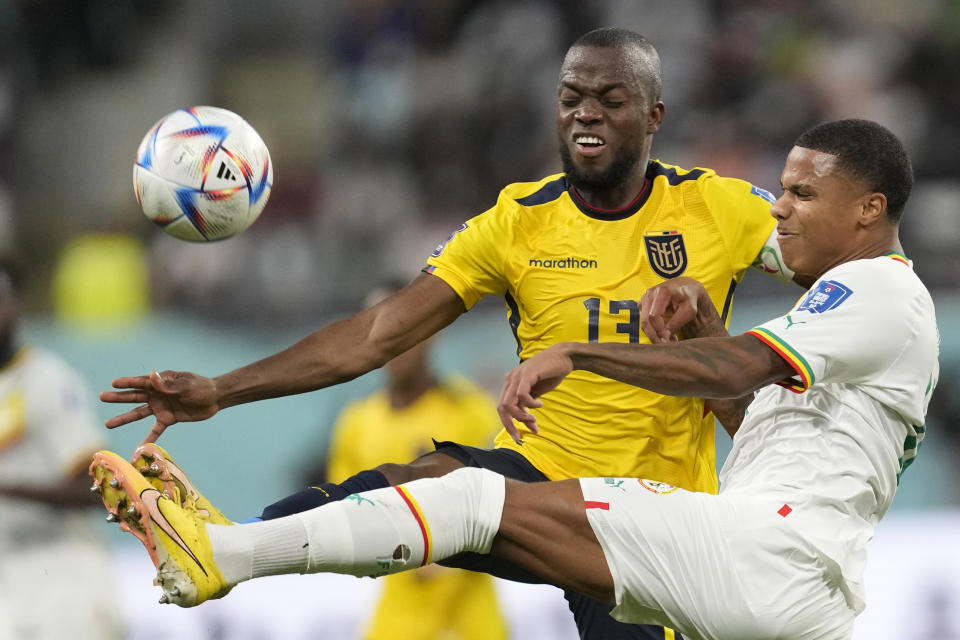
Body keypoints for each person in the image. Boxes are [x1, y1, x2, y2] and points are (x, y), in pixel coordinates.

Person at [91, 118, 938, 640]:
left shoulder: (878, 288)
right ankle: (226, 544)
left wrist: (581, 352)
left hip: (763, 553)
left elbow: (748, 363)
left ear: (868, 209)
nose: (780, 206)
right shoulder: (517, 221)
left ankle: (223, 554)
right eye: (780, 190)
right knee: (451, 488)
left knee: (466, 496)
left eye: (800, 192)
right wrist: (711, 331)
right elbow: (758, 423)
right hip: (779, 571)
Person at [321, 282, 508, 640]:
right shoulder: (356, 424)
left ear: (431, 332)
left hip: (472, 619)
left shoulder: (471, 412)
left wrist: (451, 549)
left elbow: (508, 505)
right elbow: (345, 520)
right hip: (399, 619)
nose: (389, 345)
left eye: (399, 329)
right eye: (375, 331)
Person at [0, 257, 125, 640]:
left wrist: (5, 487)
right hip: (10, 587)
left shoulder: (45, 381)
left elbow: (102, 490)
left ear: (18, 305)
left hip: (65, 590)